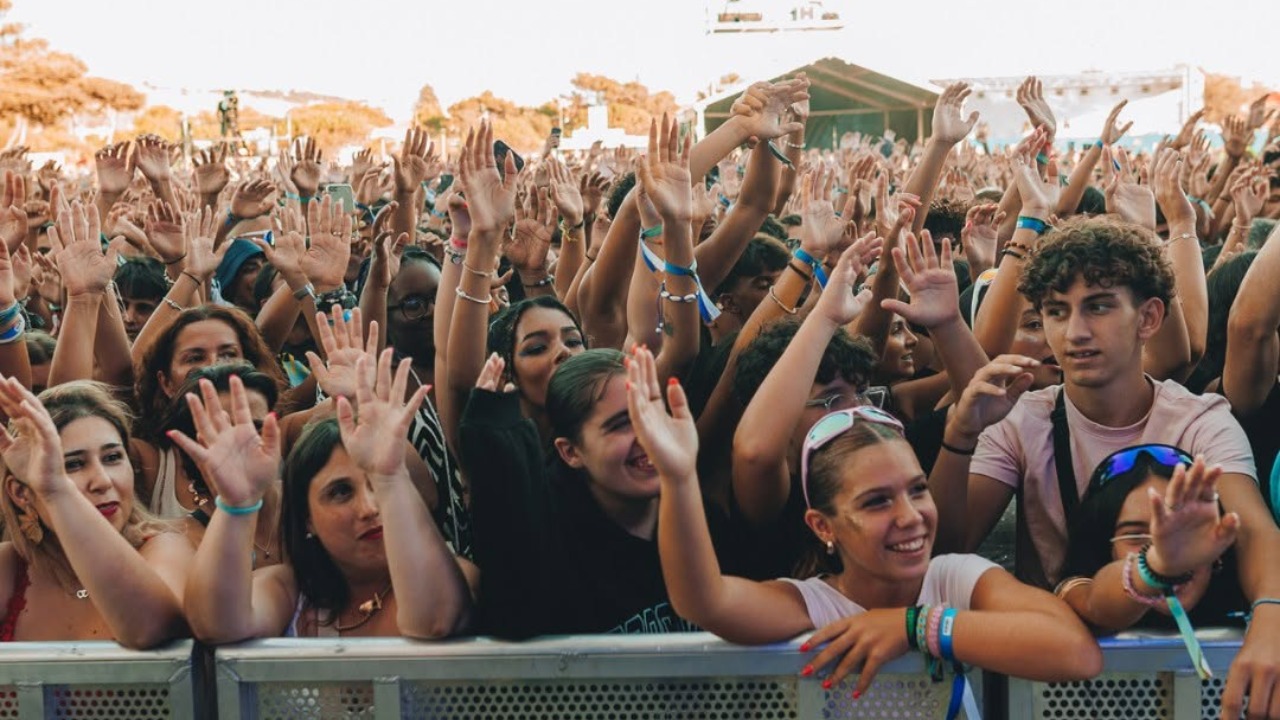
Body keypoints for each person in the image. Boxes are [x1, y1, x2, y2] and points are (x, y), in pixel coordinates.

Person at [627, 341, 1100, 697]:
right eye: (876, 502)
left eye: (917, 490)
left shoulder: (952, 578)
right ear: (823, 526)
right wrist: (678, 477)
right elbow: (702, 600)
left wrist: (914, 626)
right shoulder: (814, 605)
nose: (910, 516)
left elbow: (1073, 650)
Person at [179, 347, 476, 641]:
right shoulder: (290, 591)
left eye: (378, 488)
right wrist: (236, 505)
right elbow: (216, 623)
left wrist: (390, 476)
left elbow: (436, 620)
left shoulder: (455, 575)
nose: (369, 508)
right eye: (341, 492)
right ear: (307, 519)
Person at [0, 380, 192, 647]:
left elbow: (149, 629)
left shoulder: (166, 546)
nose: (102, 481)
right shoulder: (9, 566)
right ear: (21, 494)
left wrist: (57, 491)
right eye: (74, 464)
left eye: (112, 457)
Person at [1058, 446, 1249, 674]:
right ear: (1104, 546)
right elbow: (1095, 604)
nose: (1165, 546)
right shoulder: (1074, 591)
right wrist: (1155, 566)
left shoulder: (1252, 597)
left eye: (1185, 530)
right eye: (1136, 535)